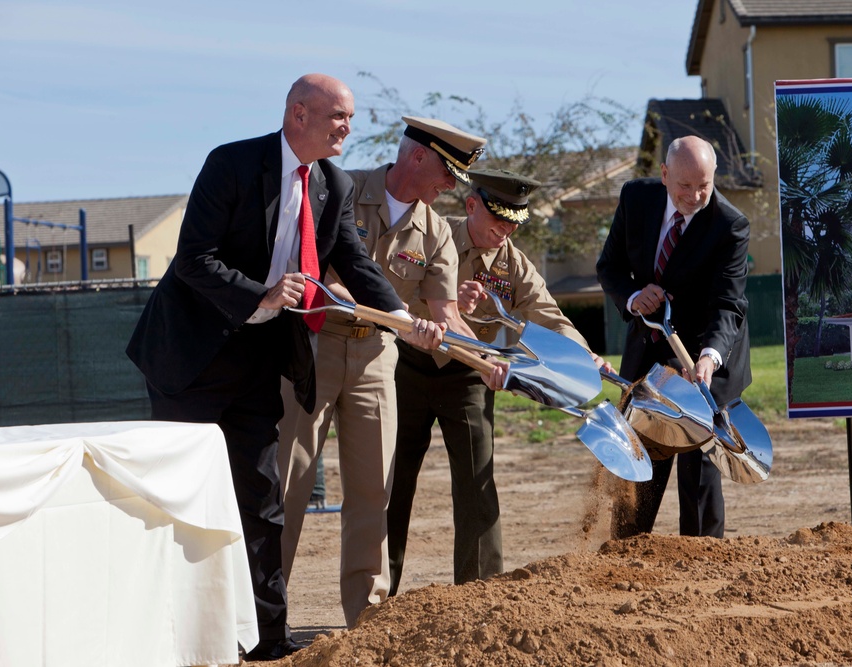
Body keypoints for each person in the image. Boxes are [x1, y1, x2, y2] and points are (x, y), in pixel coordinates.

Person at [125, 74, 442, 662]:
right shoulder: (232, 164)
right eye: (338, 116)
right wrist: (264, 295)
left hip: (260, 360)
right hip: (189, 358)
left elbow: (352, 259)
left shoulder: (334, 183)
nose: (348, 126)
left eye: (350, 117)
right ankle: (169, 634)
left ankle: (266, 642)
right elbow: (194, 259)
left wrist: (402, 317)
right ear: (299, 114)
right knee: (178, 497)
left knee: (263, 498)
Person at [277, 116, 486, 628]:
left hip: (376, 360)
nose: (449, 187)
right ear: (418, 157)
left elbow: (445, 313)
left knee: (375, 489)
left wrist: (485, 358)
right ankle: (263, 611)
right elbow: (322, 275)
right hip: (317, 347)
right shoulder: (339, 189)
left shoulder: (436, 231)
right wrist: (396, 314)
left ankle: (365, 621)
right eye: (446, 173)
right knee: (290, 482)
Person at [387, 168, 610, 594]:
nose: (505, 232)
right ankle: (377, 593)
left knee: (477, 482)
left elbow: (549, 316)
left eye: (514, 223)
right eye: (499, 220)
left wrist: (583, 355)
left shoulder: (513, 265)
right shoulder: (433, 234)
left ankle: (479, 591)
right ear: (471, 205)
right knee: (394, 480)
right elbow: (393, 290)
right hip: (408, 367)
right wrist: (445, 299)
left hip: (470, 375)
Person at [595, 134, 751, 539]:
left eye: (705, 184)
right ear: (664, 175)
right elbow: (609, 267)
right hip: (649, 349)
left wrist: (708, 357)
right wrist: (633, 296)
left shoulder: (730, 225)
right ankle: (625, 553)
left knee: (699, 466)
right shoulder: (635, 198)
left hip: (706, 354)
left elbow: (727, 305)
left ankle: (702, 560)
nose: (696, 195)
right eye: (685, 185)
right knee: (639, 456)